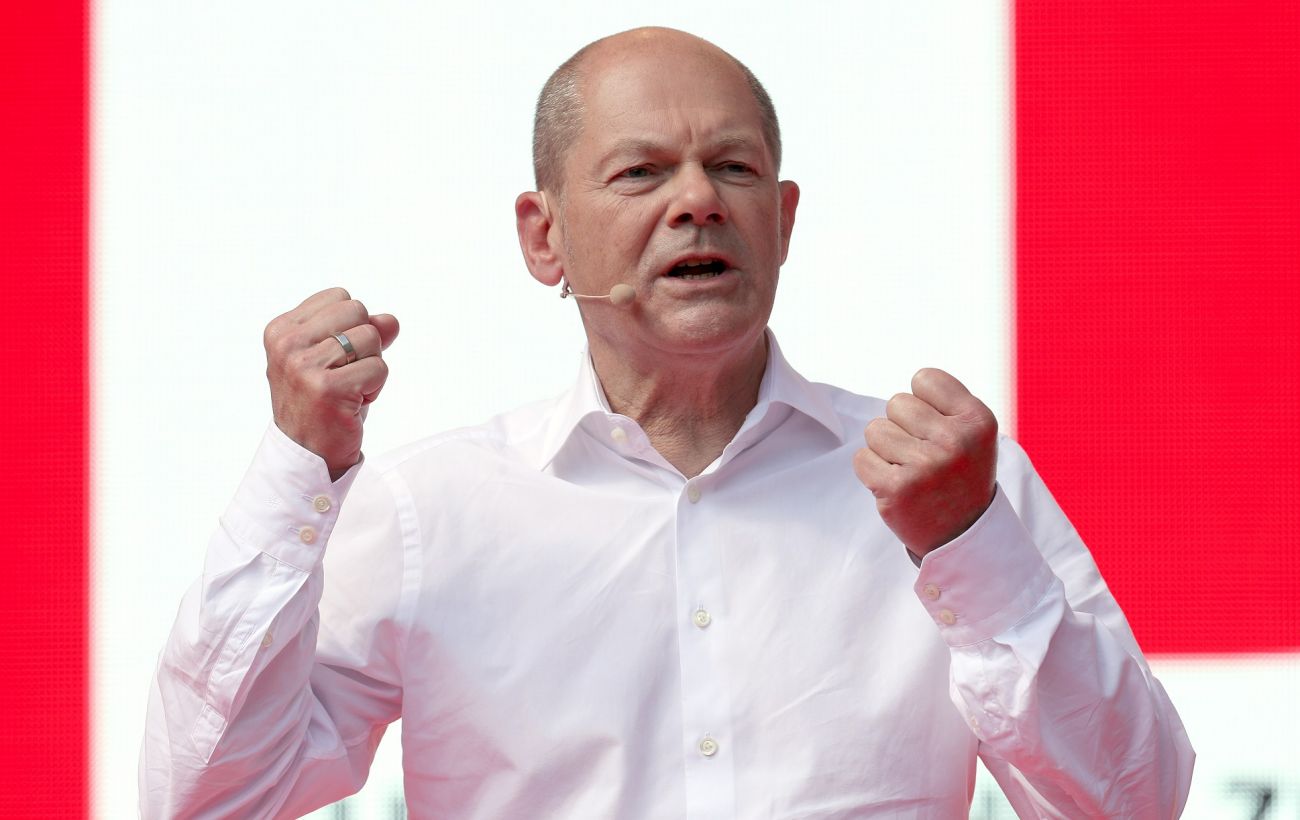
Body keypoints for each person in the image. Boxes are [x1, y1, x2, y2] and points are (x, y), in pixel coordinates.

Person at [141, 27, 1194, 819]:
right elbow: (210, 800)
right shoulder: (430, 510)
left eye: (732, 168)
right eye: (642, 173)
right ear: (544, 238)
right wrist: (298, 466)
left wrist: (967, 544)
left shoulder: (947, 484)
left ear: (782, 220)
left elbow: (1134, 801)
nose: (698, 202)